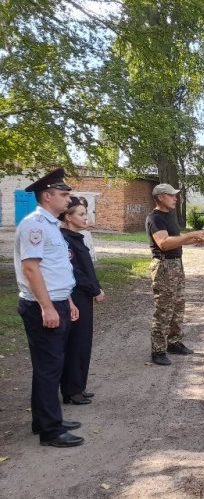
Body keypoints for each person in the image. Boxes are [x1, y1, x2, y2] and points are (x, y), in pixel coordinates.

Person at [14, 168, 84, 447]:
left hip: (57, 301)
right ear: (47, 195)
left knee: (51, 366)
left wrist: (66, 300)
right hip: (43, 305)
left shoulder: (51, 224)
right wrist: (47, 307)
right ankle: (51, 431)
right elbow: (31, 270)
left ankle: (44, 420)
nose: (69, 199)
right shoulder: (35, 225)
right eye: (64, 194)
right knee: (48, 368)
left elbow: (56, 269)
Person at [145, 183, 204, 366]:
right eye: (171, 195)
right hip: (164, 266)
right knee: (164, 308)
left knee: (177, 306)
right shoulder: (155, 218)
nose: (175, 198)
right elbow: (165, 243)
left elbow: (176, 240)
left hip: (176, 264)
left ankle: (173, 342)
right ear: (160, 197)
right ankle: (158, 350)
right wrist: (192, 234)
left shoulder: (169, 216)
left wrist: (194, 239)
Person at [60, 196, 105, 405]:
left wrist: (97, 287)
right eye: (80, 214)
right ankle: (71, 390)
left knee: (84, 341)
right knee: (76, 342)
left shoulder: (77, 237)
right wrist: (94, 290)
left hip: (84, 295)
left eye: (85, 214)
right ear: (68, 217)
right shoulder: (65, 239)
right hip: (76, 295)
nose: (85, 218)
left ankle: (79, 385)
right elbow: (76, 272)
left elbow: (88, 268)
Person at [76, 196, 97, 262]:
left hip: (86, 235)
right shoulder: (75, 214)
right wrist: (86, 226)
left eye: (83, 204)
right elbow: (76, 227)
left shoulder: (87, 214)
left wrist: (85, 226)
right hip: (79, 234)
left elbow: (93, 225)